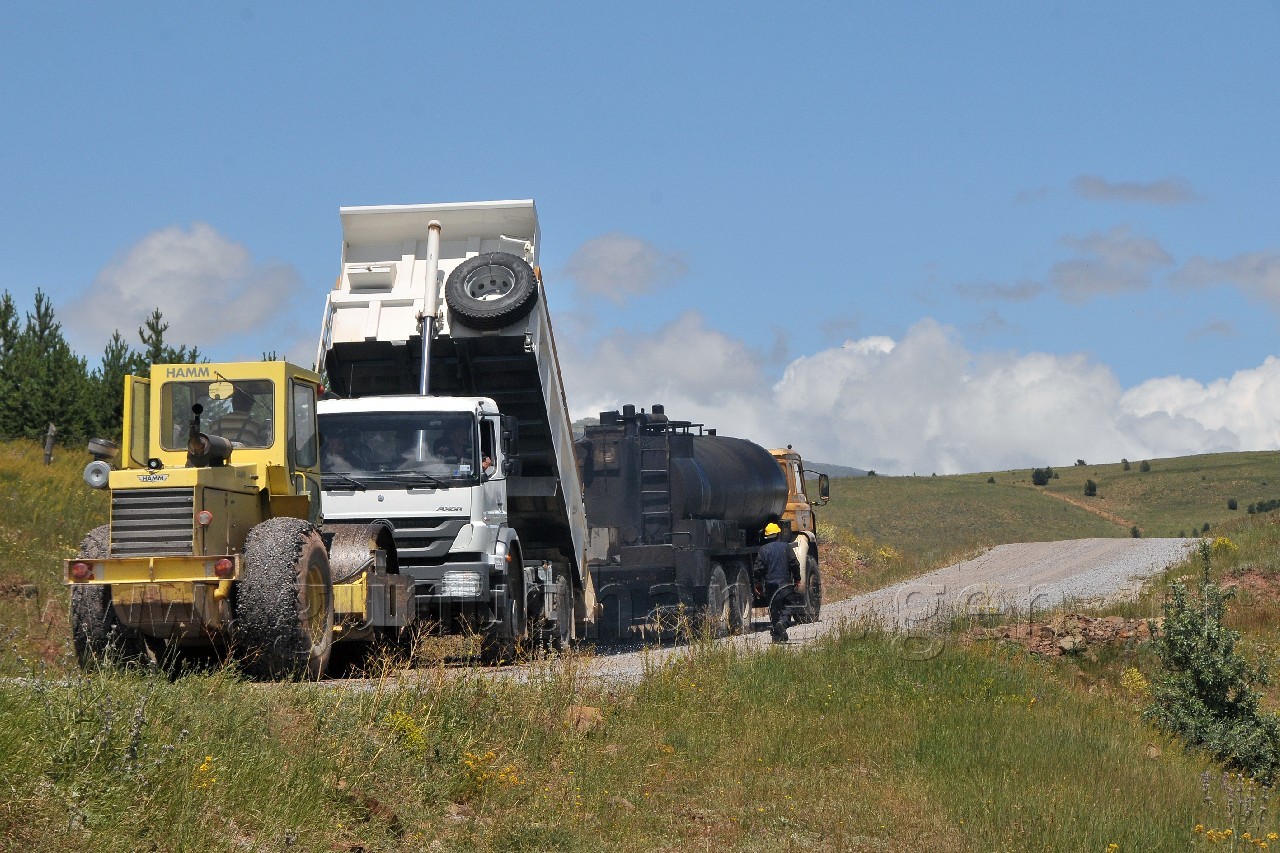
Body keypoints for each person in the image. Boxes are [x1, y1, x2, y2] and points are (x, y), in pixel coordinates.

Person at [753, 521, 800, 643]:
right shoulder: (786, 547)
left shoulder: (763, 550)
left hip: (770, 585)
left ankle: (777, 636)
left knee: (774, 609)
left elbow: (758, 569)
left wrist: (757, 583)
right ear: (779, 534)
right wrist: (797, 578)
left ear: (767, 537)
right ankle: (782, 624)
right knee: (789, 606)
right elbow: (794, 563)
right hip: (785, 583)